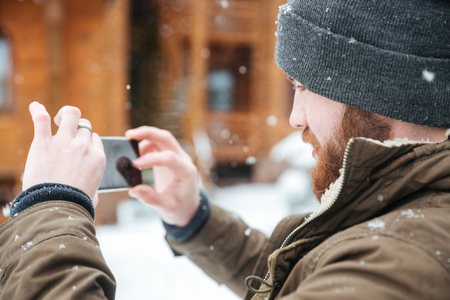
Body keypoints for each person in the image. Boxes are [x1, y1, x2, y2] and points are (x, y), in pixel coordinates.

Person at [1, 0, 450, 299]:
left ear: (375, 87)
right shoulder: (405, 213)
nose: (296, 117)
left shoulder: (394, 267)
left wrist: (50, 208)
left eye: (304, 87)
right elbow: (300, 276)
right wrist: (193, 218)